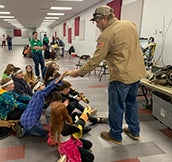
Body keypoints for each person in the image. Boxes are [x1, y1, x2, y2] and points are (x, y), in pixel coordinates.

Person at [69, 5, 147, 145]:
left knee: (116, 106)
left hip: (121, 77)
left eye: (97, 22)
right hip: (136, 74)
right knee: (131, 104)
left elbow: (95, 60)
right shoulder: (130, 24)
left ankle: (115, 135)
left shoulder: (106, 35)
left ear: (104, 19)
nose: (97, 25)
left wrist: (79, 72)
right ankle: (135, 131)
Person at [17, 72, 67, 138]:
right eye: (42, 85)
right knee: (49, 133)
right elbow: (49, 87)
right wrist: (59, 78)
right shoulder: (39, 94)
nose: (44, 86)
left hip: (24, 120)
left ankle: (25, 130)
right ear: (37, 88)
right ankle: (28, 131)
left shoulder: (35, 97)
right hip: (32, 125)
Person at [49, 91, 94, 162]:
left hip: (69, 139)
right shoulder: (64, 128)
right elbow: (79, 125)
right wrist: (86, 114)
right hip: (68, 146)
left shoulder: (55, 121)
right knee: (90, 157)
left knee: (88, 144)